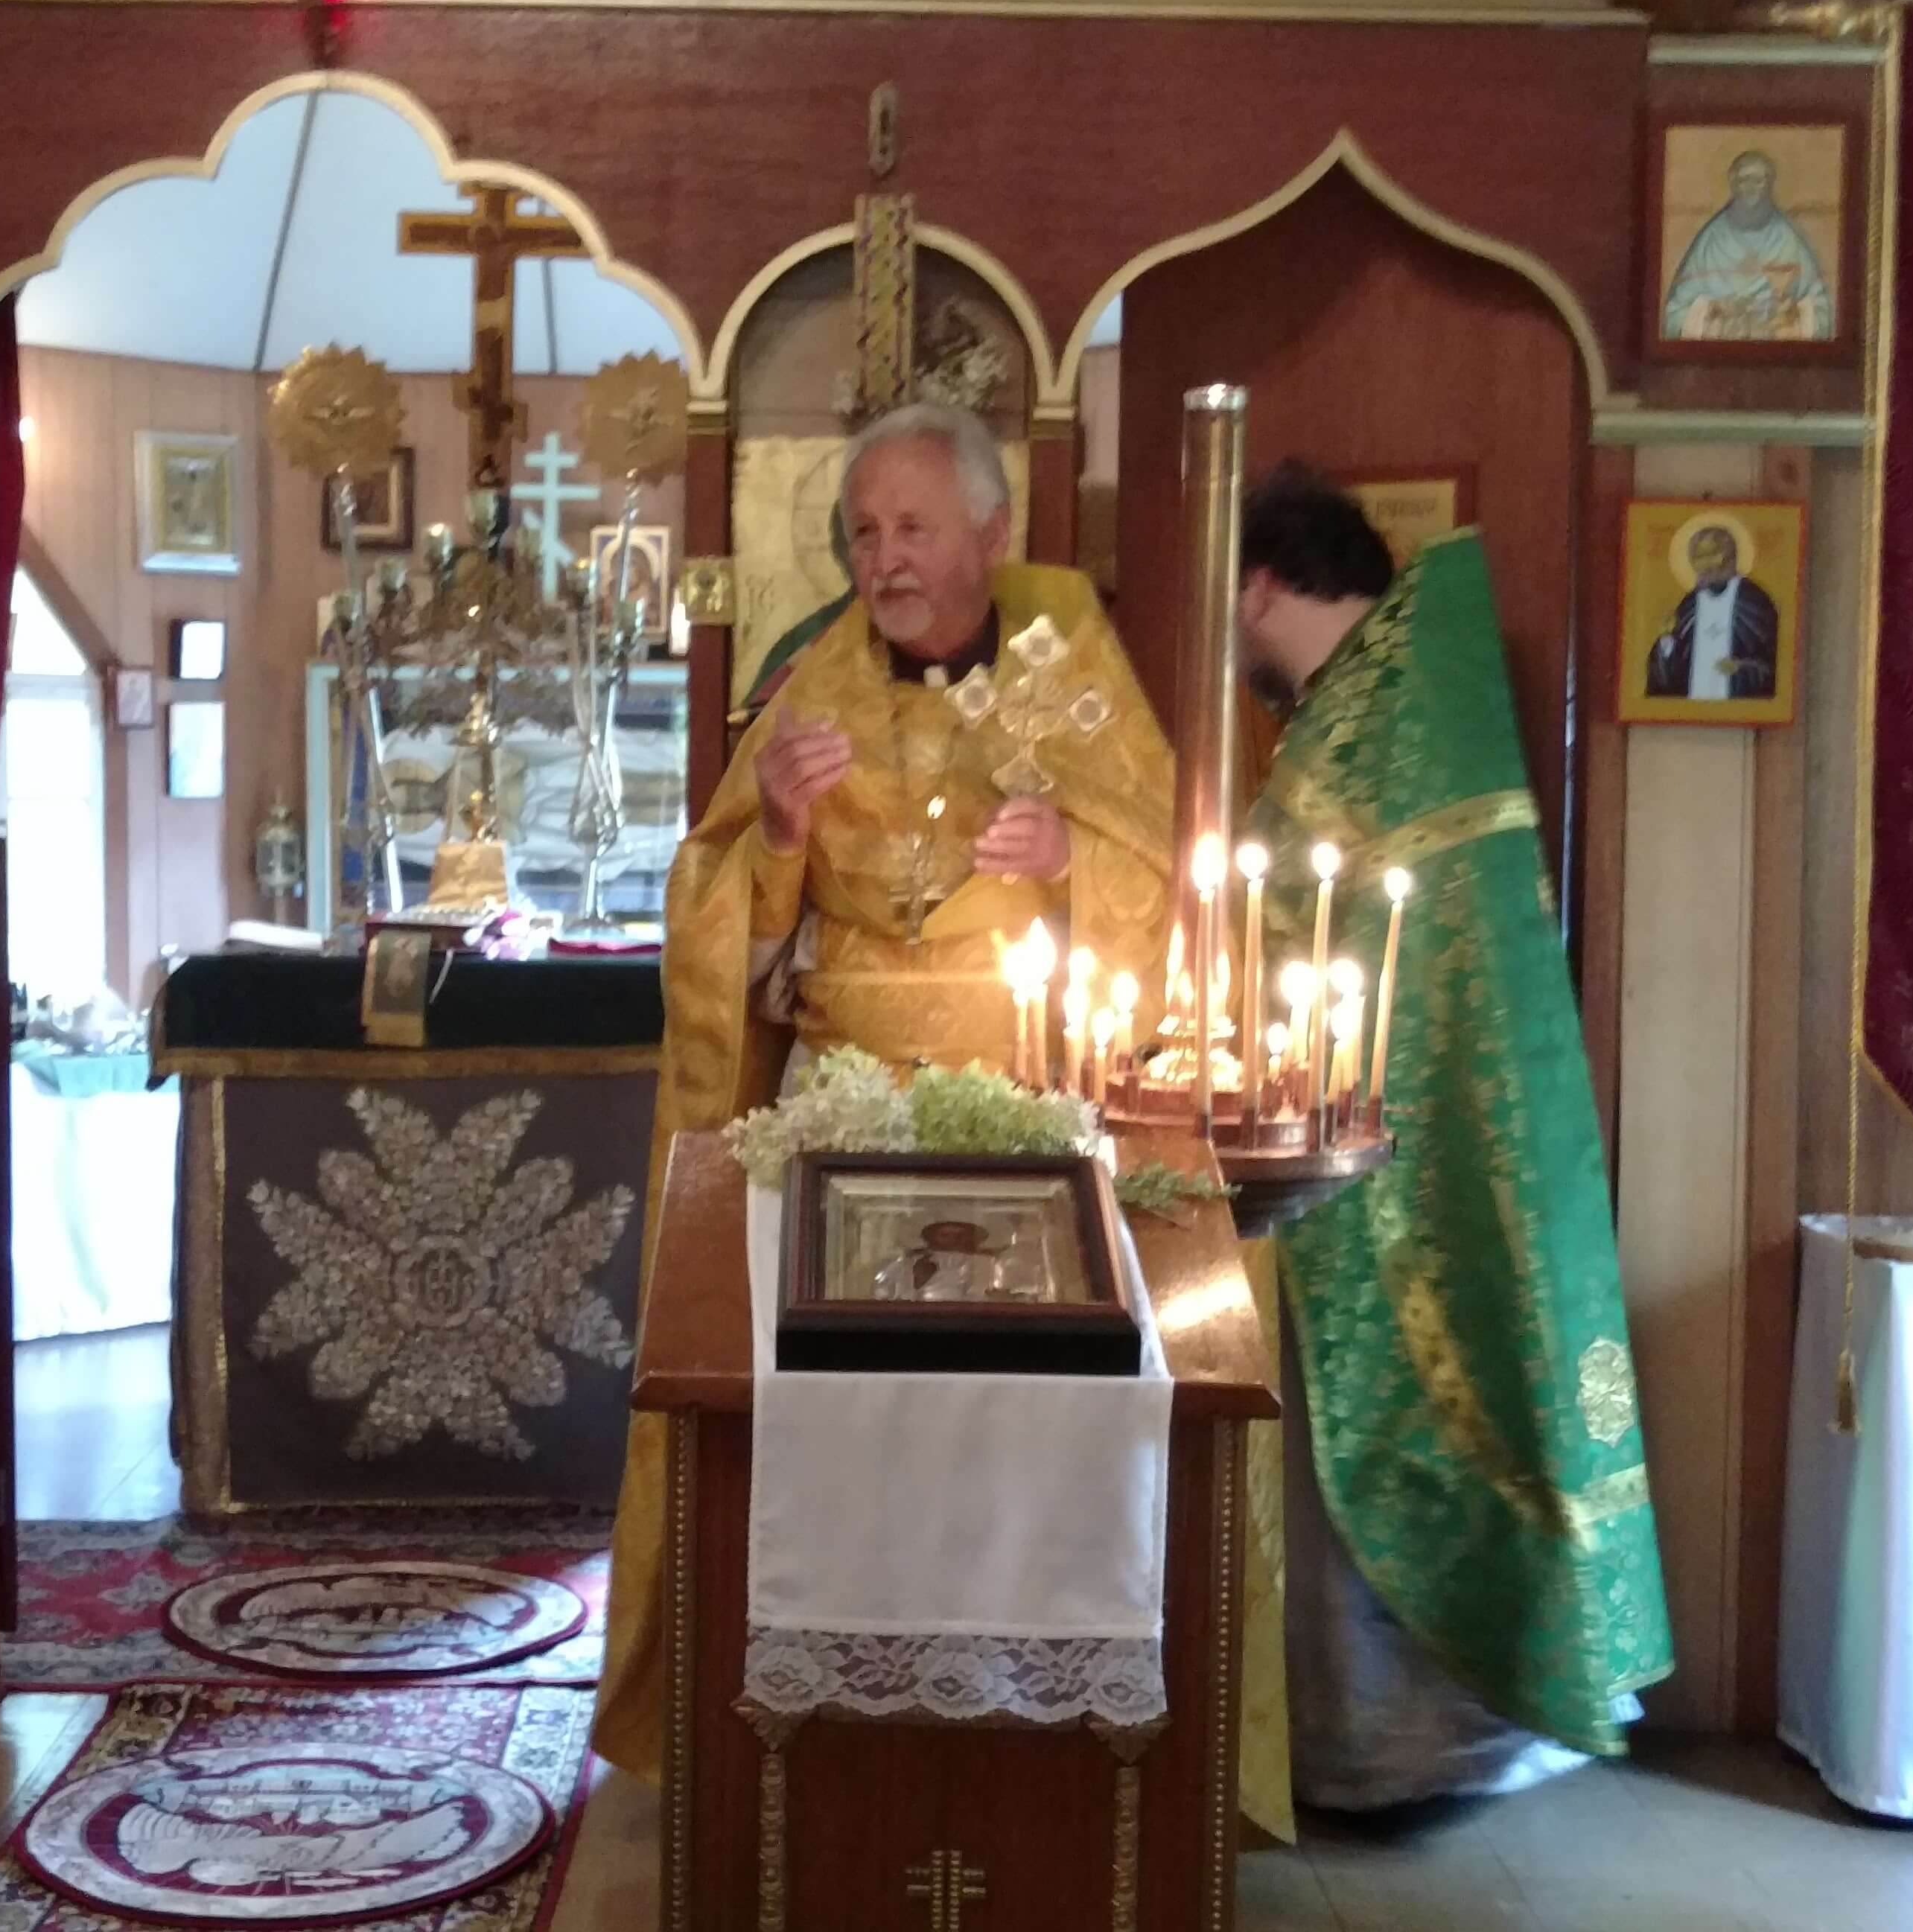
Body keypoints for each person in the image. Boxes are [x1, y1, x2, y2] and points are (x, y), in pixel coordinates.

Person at [593, 401, 1177, 1780]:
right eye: (863, 531)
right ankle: (809, 1731)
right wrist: (781, 835)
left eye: (912, 526)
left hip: (1021, 1119)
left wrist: (1071, 865)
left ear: (994, 529)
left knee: (1009, 1431)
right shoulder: (811, 689)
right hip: (836, 1121)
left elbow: (1163, 876)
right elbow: (712, 909)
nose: (884, 558)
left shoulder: (1072, 671)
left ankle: (1022, 1723)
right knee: (830, 1422)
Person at [1232, 465, 1672, 1806]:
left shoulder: (1372, 723)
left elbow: (1368, 950)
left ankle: (1403, 1751)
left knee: (1373, 1409)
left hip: (1376, 1149)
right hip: (1420, 1132)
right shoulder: (1405, 696)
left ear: (1254, 585)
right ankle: (1401, 1739)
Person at [1658, 150, 1830, 342]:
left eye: (1759, 180)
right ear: (1733, 185)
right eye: (1744, 180)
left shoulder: (1788, 239)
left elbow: (1824, 316)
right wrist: (1713, 315)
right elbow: (1673, 318)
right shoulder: (1712, 240)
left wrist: (1790, 319)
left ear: (1770, 185)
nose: (1751, 187)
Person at [1642, 517, 1780, 701]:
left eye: (1711, 559)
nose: (1703, 570)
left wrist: (1741, 669)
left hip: (1738, 709)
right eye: (1699, 560)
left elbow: (1773, 664)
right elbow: (1670, 673)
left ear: (1729, 560)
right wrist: (1666, 641)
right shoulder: (1689, 604)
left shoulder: (1754, 602)